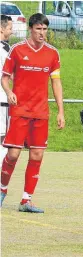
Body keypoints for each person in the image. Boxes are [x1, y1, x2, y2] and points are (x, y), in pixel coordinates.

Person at [0, 13, 65, 212]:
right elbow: (4, 77)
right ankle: (2, 190)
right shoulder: (17, 50)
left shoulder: (52, 54)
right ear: (31, 29)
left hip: (41, 112)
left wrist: (60, 110)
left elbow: (56, 82)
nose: (42, 33)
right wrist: (9, 91)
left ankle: (26, 200)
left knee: (36, 155)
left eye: (45, 29)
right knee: (13, 154)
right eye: (38, 29)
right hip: (19, 110)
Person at [0, 15, 12, 171]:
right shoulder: (6, 50)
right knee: (3, 138)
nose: (12, 31)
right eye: (10, 28)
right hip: (2, 99)